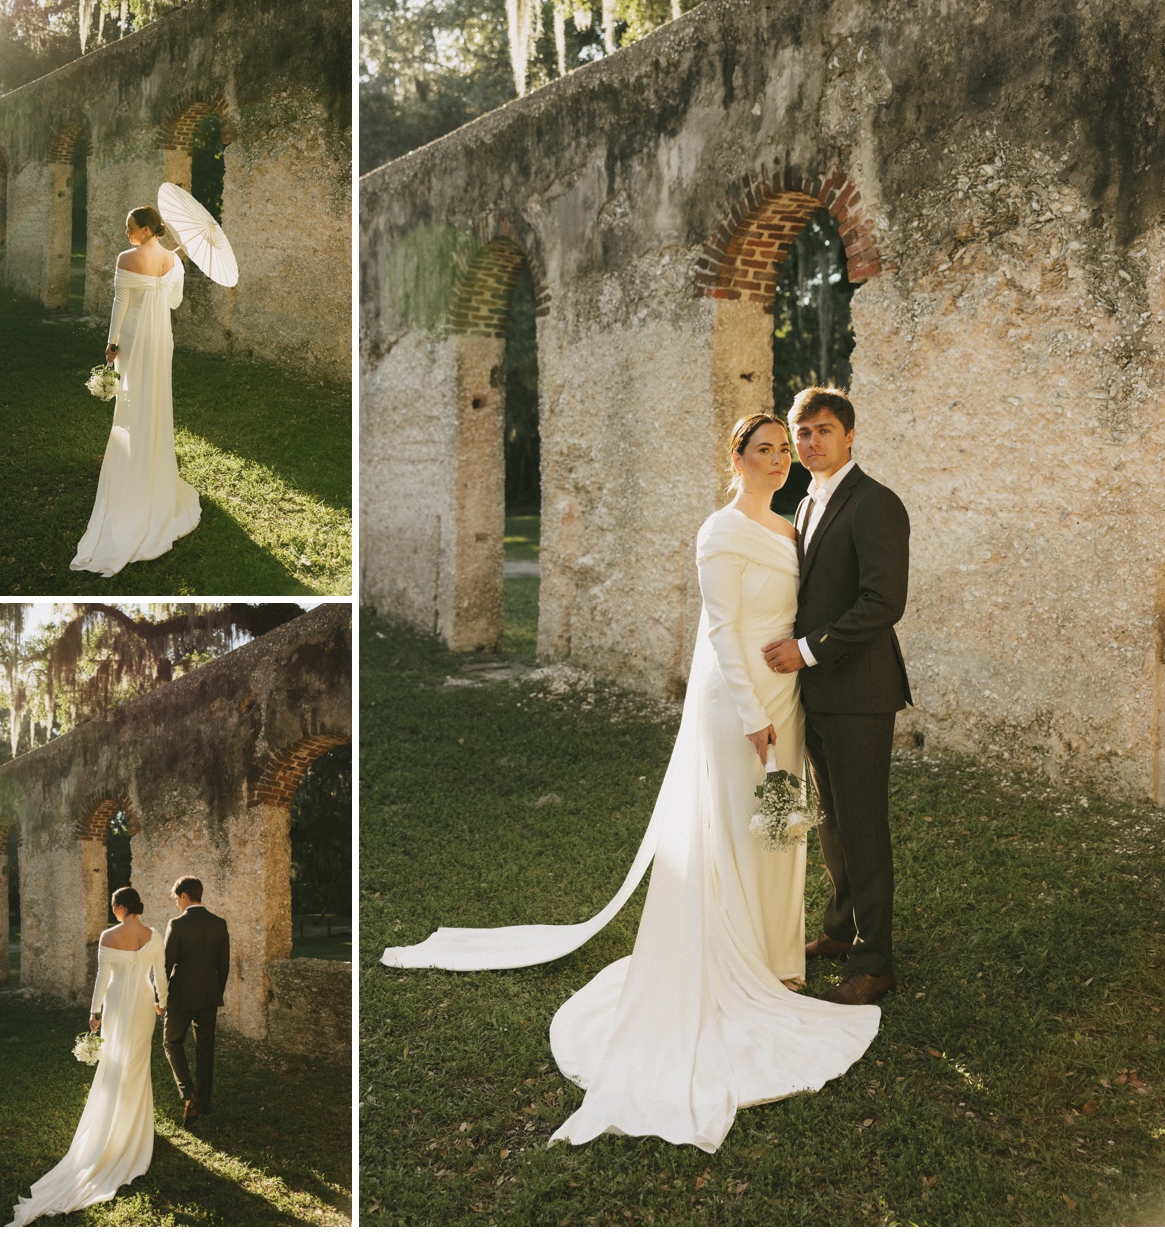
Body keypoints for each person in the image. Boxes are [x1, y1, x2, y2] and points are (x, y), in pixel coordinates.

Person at [382, 413, 880, 1152]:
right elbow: (719, 627)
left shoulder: (790, 524)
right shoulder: (720, 530)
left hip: (787, 694)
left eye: (784, 449)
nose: (779, 459)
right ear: (735, 457)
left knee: (779, 828)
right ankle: (736, 962)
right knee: (738, 828)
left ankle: (779, 962)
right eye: (764, 450)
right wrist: (749, 710)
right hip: (739, 699)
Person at [761, 386, 912, 1003]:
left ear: (849, 435)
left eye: (822, 430)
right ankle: (841, 933)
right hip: (815, 695)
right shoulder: (803, 505)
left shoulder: (876, 503)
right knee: (831, 822)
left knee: (864, 828)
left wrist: (809, 649)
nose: (809, 442)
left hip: (860, 692)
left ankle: (875, 964)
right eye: (801, 433)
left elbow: (883, 602)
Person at [11, 887, 167, 1226]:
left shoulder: (109, 936)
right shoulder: (154, 935)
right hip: (143, 1005)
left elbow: (102, 978)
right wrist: (161, 1004)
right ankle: (135, 1134)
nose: (113, 911)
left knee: (115, 1066)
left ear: (121, 906)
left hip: (116, 1008)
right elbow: (159, 976)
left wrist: (94, 1012)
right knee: (138, 1067)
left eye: (113, 906)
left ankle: (115, 1133)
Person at [71, 204, 201, 576]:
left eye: (130, 226)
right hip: (161, 340)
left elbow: (121, 303)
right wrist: (169, 269)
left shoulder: (127, 259)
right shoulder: (172, 261)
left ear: (146, 229)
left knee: (131, 403)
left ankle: (134, 469)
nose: (125, 231)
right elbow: (172, 301)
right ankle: (153, 464)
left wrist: (111, 345)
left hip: (135, 341)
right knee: (153, 401)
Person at [161, 876, 229, 1127]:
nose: (176, 904)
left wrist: (161, 996)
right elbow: (224, 965)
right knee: (205, 1048)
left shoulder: (177, 924)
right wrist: (215, 990)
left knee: (171, 1042)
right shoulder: (219, 924)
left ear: (185, 897)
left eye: (176, 899)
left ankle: (190, 1094)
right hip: (210, 995)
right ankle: (205, 1102)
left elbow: (167, 964)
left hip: (181, 995)